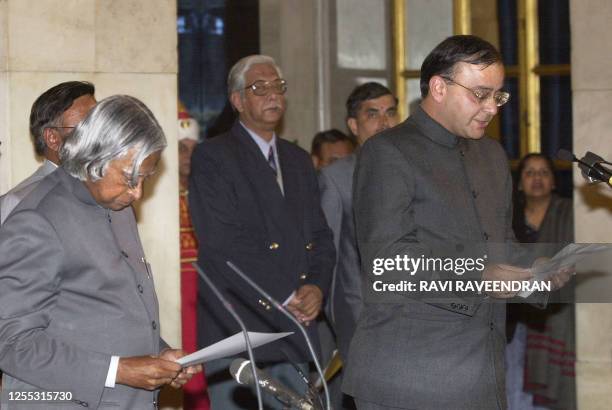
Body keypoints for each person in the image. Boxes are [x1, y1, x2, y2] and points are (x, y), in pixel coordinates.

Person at [342, 35, 571, 410]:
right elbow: (388, 262)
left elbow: (499, 244)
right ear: (439, 87)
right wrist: (481, 274)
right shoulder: (387, 152)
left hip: (483, 372)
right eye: (480, 94)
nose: (492, 108)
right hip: (411, 376)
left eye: (498, 96)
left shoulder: (492, 155)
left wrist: (538, 267)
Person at [0, 95, 201, 409]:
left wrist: (159, 354)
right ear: (94, 159)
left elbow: (108, 308)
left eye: (145, 178)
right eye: (129, 178)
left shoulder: (117, 205)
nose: (137, 193)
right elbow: (13, 343)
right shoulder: (37, 219)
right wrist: (117, 371)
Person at [189, 54, 335, 409]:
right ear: (238, 100)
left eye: (278, 87)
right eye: (260, 88)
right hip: (242, 329)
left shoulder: (298, 159)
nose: (273, 95)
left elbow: (320, 235)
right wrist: (288, 294)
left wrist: (316, 286)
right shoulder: (214, 157)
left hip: (296, 329)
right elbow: (222, 243)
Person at [319, 82, 398, 362]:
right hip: (363, 321)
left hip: (417, 321)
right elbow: (331, 259)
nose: (384, 122)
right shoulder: (336, 178)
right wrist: (346, 322)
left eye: (390, 112)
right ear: (354, 125)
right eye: (373, 114)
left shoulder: (416, 171)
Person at [506, 153, 575, 410]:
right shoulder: (508, 219)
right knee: (513, 384)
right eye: (530, 173)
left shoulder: (569, 213)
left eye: (544, 172)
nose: (537, 178)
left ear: (554, 182)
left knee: (549, 390)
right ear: (520, 183)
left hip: (554, 315)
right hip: (513, 316)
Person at [0, 81, 96, 224]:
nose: (100, 135)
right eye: (87, 127)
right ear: (53, 138)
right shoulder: (20, 202)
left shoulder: (111, 192)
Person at [178, 104, 210, 409]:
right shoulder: (153, 198)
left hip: (207, 292)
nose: (189, 156)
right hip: (176, 293)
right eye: (181, 149)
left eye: (193, 148)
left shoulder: (209, 192)